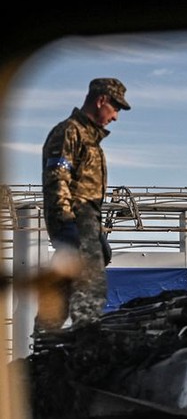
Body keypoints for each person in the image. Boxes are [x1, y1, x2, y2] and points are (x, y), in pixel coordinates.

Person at [40, 78, 131, 329]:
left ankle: (48, 336)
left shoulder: (89, 139)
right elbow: (57, 179)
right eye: (115, 108)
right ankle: (85, 338)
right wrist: (67, 223)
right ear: (101, 100)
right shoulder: (70, 132)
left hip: (86, 219)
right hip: (74, 218)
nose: (115, 117)